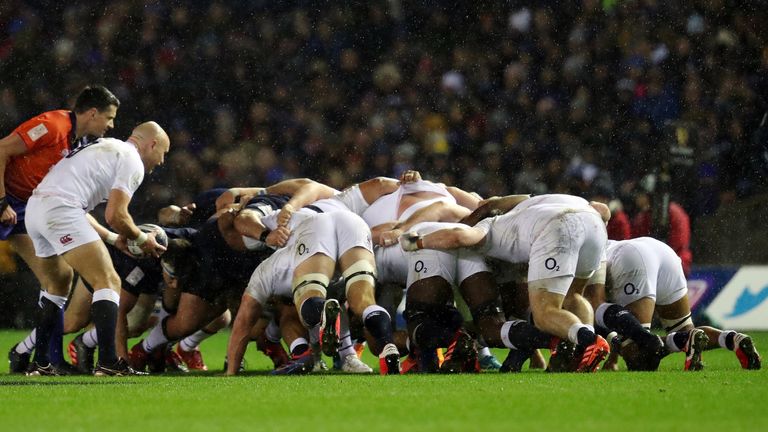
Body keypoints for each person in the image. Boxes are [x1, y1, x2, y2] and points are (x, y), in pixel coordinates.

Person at [400, 194, 611, 372]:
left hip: (558, 226)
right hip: (594, 225)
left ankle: (589, 341)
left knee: (545, 312)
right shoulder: (536, 201)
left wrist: (416, 241)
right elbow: (603, 210)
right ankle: (581, 356)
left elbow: (458, 236)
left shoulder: (492, 223)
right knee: (573, 296)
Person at [23, 121, 169, 376]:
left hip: (36, 209)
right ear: (152, 144)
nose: (162, 161)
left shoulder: (105, 147)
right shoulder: (132, 160)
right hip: (59, 210)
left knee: (57, 286)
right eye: (163, 153)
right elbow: (116, 215)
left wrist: (114, 239)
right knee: (108, 281)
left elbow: (81, 208)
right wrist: (140, 238)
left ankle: (41, 363)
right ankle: (109, 362)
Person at [2, 85, 119, 370]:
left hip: (25, 210)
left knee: (58, 279)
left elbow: (71, 205)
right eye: (109, 118)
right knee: (59, 280)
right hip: (7, 201)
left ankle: (47, 360)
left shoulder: (79, 144)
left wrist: (110, 236)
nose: (111, 125)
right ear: (92, 113)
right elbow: (2, 149)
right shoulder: (52, 125)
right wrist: (1, 201)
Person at [596, 237, 761, 371]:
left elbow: (608, 317)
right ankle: (731, 339)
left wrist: (612, 359)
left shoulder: (585, 259)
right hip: (662, 251)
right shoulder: (597, 241)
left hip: (631, 258)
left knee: (639, 355)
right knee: (687, 330)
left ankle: (683, 340)